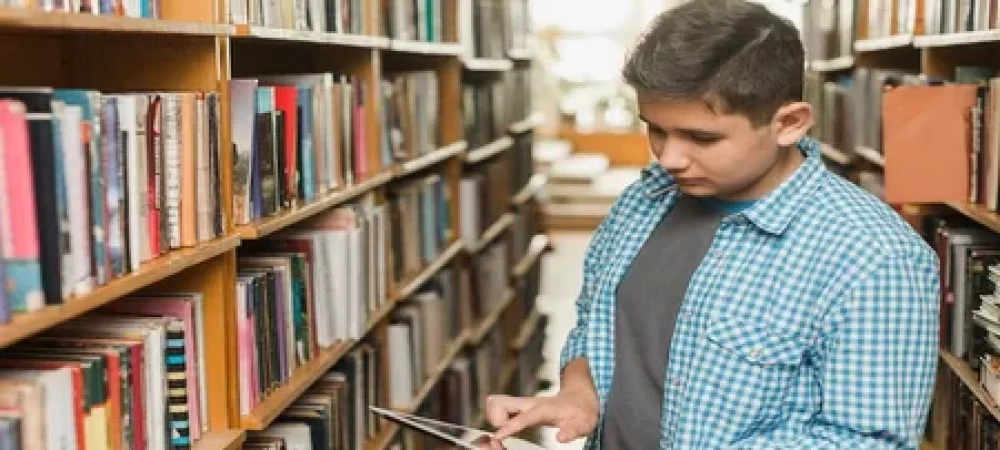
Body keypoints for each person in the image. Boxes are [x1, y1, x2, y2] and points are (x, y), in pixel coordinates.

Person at [483, 0, 941, 448]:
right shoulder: (644, 199)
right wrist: (579, 393)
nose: (669, 158)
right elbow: (595, 322)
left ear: (789, 124)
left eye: (702, 137)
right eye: (656, 129)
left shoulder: (877, 258)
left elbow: (865, 442)